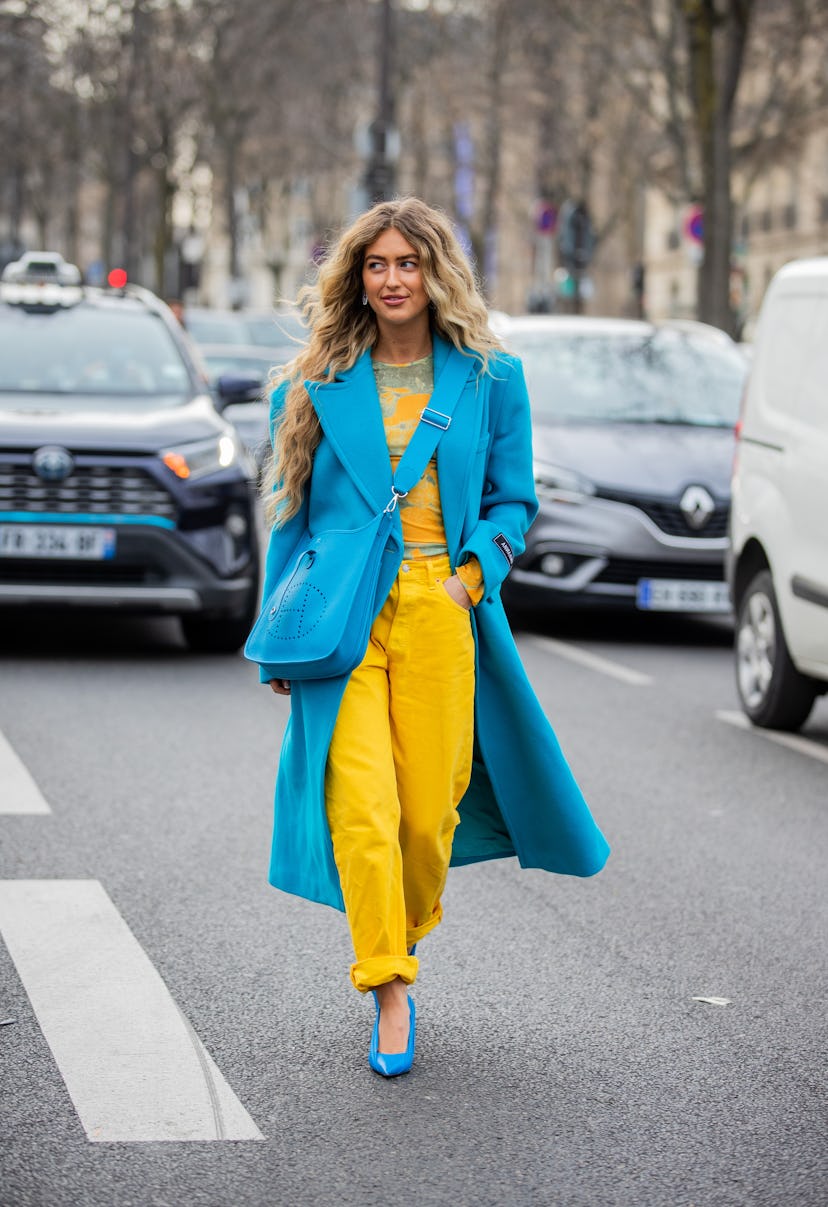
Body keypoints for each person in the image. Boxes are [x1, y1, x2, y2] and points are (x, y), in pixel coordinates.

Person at [255, 197, 609, 1078]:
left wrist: (469, 579)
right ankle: (388, 987)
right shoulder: (314, 380)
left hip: (440, 605)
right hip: (343, 612)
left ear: (434, 271)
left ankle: (393, 936)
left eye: (407, 263)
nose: (391, 279)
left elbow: (512, 500)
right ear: (356, 277)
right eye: (375, 264)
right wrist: (277, 633)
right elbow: (291, 516)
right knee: (364, 808)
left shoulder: (491, 376)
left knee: (424, 816)